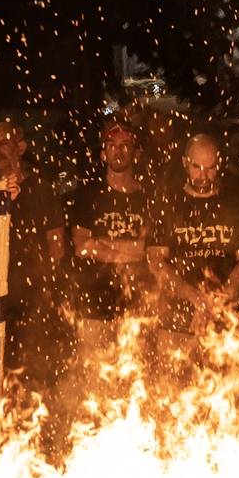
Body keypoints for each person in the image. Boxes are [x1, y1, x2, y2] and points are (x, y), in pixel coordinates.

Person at [146, 134, 239, 345]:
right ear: (185, 163)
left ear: (220, 164)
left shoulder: (236, 203)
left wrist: (215, 302)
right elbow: (155, 260)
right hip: (176, 316)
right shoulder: (167, 202)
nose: (203, 175)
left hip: (225, 319)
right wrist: (195, 298)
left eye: (210, 168)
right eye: (196, 167)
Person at [0, 119, 66, 388]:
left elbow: (56, 244)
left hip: (33, 297)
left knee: (33, 368)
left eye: (4, 143)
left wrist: (50, 289)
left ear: (20, 147)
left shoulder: (42, 190)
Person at [69, 117, 149, 349]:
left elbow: (147, 249)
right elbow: (83, 247)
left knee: (135, 367)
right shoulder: (88, 195)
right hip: (93, 300)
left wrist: (100, 244)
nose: (118, 151)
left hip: (136, 301)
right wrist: (127, 255)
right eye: (112, 145)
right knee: (93, 366)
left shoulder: (148, 198)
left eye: (125, 145)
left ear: (136, 153)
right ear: (103, 154)